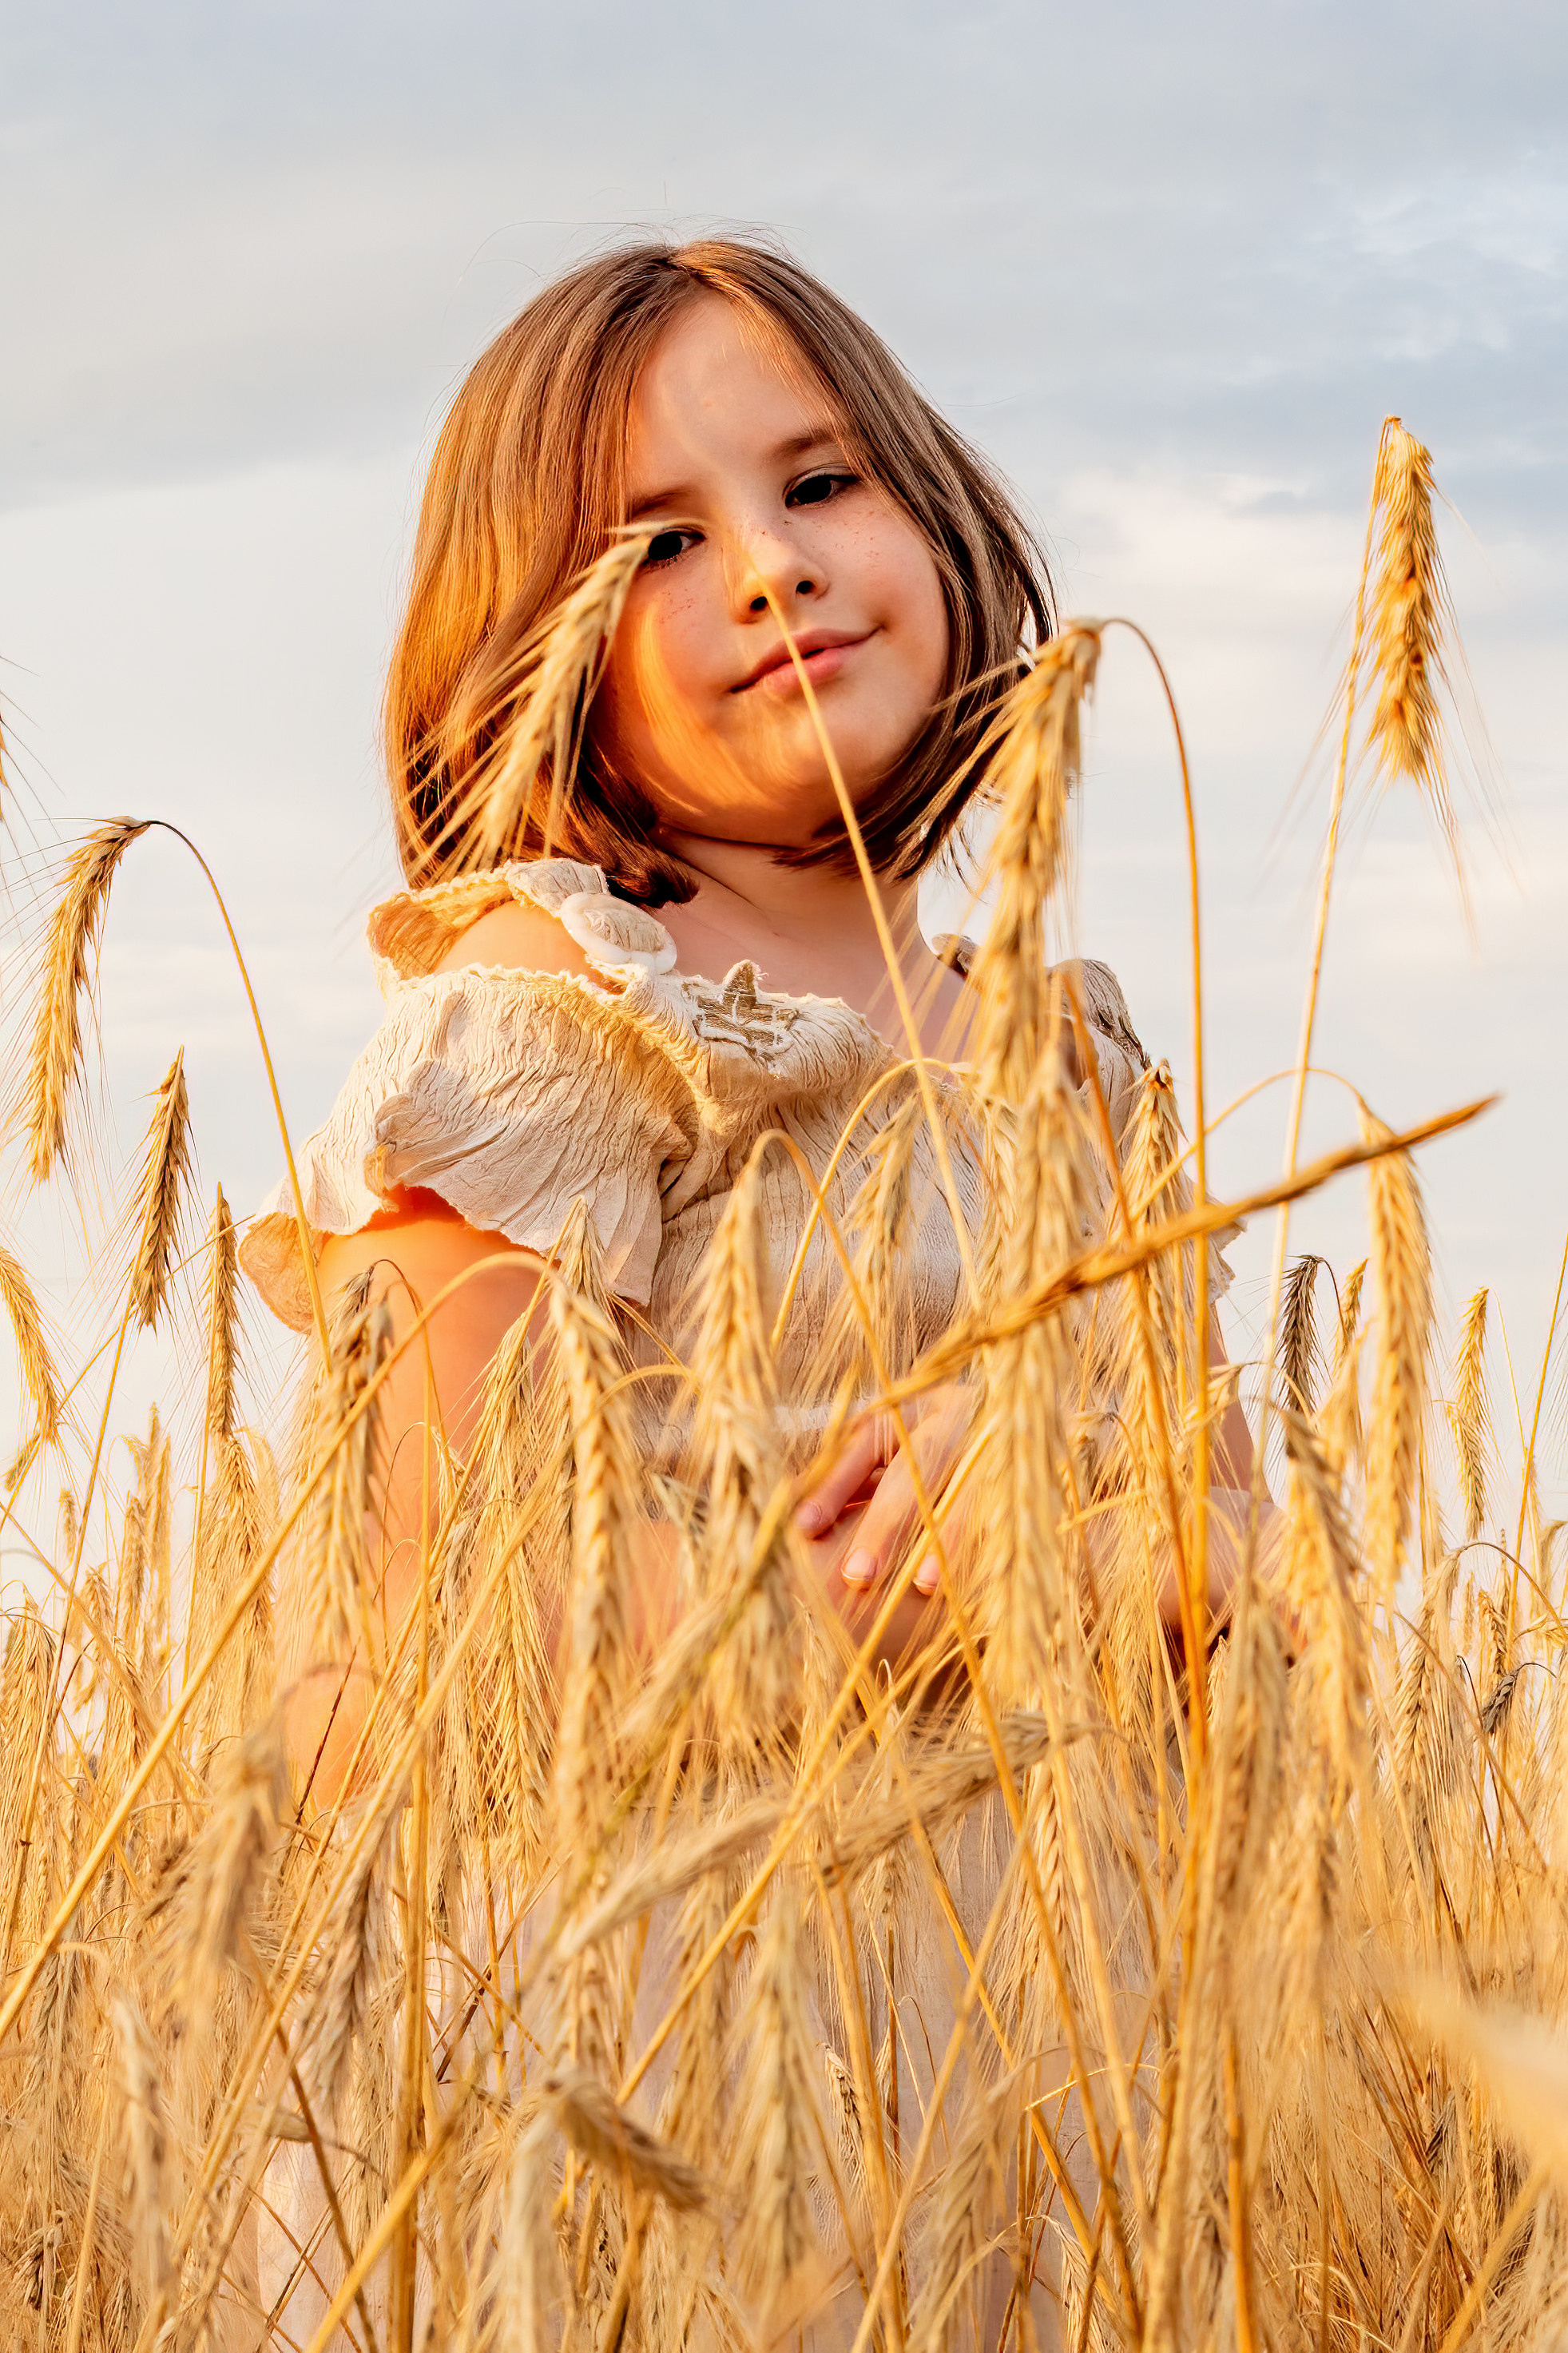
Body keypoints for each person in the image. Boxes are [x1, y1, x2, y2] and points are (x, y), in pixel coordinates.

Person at [242, 236, 1261, 1793]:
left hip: (1072, 2012)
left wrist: (1083, 1502)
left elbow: (1243, 1548)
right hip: (697, 1997)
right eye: (654, 546)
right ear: (533, 651)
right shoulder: (550, 1019)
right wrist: (975, 1585)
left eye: (819, 484)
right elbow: (438, 1626)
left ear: (936, 511)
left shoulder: (1070, 1068)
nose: (767, 567)